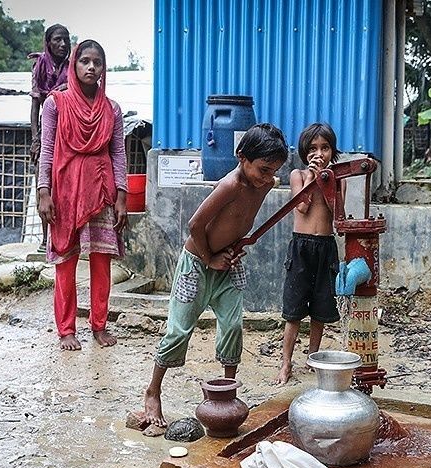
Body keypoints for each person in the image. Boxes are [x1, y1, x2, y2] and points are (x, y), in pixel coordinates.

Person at [143, 123, 289, 426]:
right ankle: (153, 392)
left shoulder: (265, 182)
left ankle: (226, 391)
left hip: (229, 263)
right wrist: (210, 259)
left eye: (273, 170)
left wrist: (236, 246)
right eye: (262, 169)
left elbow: (242, 220)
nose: (267, 177)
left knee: (233, 325)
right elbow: (194, 226)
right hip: (198, 263)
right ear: (241, 157)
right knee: (179, 331)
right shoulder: (230, 186)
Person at [37, 39, 128, 351]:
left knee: (101, 262)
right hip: (64, 192)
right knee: (66, 262)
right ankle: (66, 330)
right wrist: (43, 192)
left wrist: (122, 196)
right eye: (84, 61)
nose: (91, 67)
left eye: (97, 62)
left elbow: (119, 154)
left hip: (101, 192)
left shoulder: (112, 109)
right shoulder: (55, 104)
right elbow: (46, 152)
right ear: (74, 66)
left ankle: (99, 326)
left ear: (103, 69)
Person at [277, 123, 344, 385]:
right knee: (293, 310)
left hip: (326, 247)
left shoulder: (337, 180)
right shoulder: (296, 175)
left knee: (320, 309)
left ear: (332, 151)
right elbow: (302, 207)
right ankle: (285, 363)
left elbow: (335, 212)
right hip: (301, 247)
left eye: (325, 148)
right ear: (305, 152)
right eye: (314, 148)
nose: (320, 153)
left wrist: (324, 181)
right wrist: (309, 178)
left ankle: (313, 357)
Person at [29, 24, 71, 252]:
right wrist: (36, 140)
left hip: (69, 132)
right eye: (57, 40)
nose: (62, 44)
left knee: (66, 187)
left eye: (66, 40)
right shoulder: (40, 66)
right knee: (43, 185)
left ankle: (66, 238)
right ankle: (46, 240)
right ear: (48, 42)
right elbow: (35, 106)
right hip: (48, 132)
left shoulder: (74, 66)